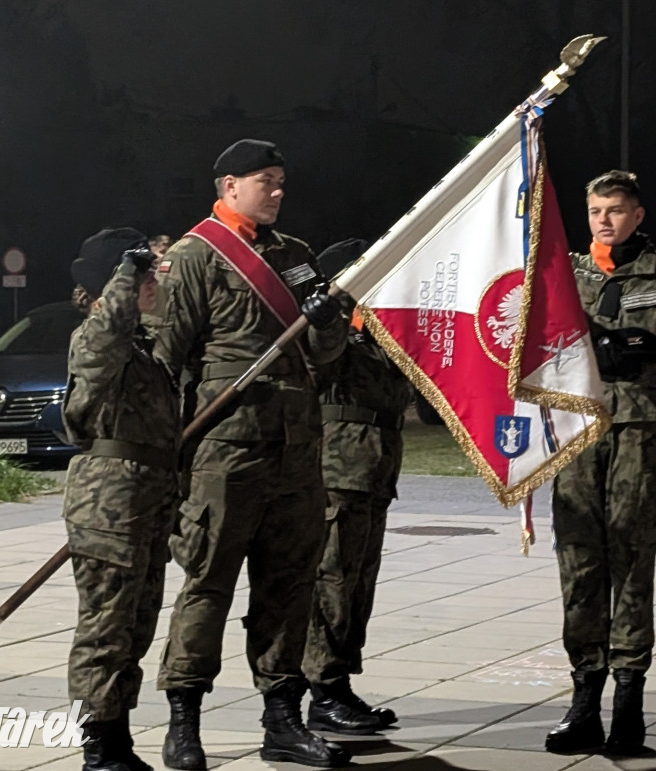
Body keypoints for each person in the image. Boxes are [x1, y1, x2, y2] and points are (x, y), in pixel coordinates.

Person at [151, 139, 350, 769]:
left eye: (283, 181)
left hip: (296, 449)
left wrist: (327, 318)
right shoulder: (196, 256)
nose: (278, 191)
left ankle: (282, 719)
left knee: (288, 586)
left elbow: (324, 355)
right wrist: (165, 450)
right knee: (208, 583)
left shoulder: (296, 257)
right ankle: (184, 720)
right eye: (266, 181)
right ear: (229, 185)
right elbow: (167, 359)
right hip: (225, 449)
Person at [546, 170, 656, 757]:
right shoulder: (561, 275)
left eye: (615, 210)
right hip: (577, 435)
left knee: (631, 563)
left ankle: (629, 708)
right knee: (579, 566)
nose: (604, 221)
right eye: (595, 211)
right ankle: (583, 702)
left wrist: (642, 363)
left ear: (638, 216)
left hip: (637, 439)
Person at [63, 227, 180, 771]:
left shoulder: (143, 351)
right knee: (106, 625)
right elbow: (108, 328)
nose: (153, 282)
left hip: (146, 499)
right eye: (144, 275)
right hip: (109, 502)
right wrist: (127, 271)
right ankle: (98, 744)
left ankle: (119, 736)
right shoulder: (95, 337)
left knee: (136, 623)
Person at [301, 239, 411, 736]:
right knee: (332, 583)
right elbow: (319, 365)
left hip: (374, 473)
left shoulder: (383, 334)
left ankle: (340, 682)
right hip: (337, 474)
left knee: (358, 584)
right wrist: (330, 319)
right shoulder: (327, 332)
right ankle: (321, 689)